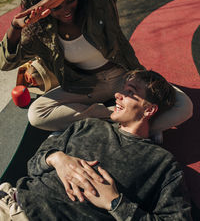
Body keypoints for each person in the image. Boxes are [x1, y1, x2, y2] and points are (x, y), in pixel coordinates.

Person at [0, 0, 192, 135]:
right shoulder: (40, 30)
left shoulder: (100, 2)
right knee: (37, 114)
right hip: (85, 87)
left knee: (184, 106)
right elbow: (4, 63)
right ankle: (120, 122)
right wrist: (15, 28)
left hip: (125, 78)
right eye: (56, 6)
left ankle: (126, 126)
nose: (66, 9)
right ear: (41, 6)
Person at [0, 70, 192, 220]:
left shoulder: (162, 164)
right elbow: (32, 166)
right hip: (11, 203)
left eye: (130, 92)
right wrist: (56, 159)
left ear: (149, 109)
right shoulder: (89, 124)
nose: (117, 94)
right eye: (123, 89)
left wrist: (116, 203)